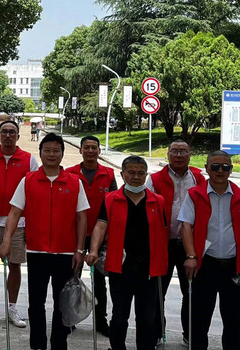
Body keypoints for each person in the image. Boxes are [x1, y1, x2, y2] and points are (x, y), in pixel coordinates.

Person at [0, 133, 89, 350]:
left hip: (66, 254)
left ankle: (59, 344)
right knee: (36, 304)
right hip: (36, 251)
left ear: (62, 154)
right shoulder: (28, 180)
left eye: (56, 150)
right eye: (47, 150)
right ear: (40, 153)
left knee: (62, 303)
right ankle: (38, 345)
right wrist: (6, 240)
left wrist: (80, 250)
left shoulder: (75, 182)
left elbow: (82, 218)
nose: (51, 154)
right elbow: (14, 213)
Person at [87, 155, 168, 350]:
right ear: (122, 174)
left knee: (147, 317)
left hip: (149, 268)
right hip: (121, 265)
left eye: (141, 173)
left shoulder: (157, 201)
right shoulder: (111, 199)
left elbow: (163, 232)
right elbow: (100, 226)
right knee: (119, 316)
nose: (136, 177)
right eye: (131, 172)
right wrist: (94, 250)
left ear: (146, 175)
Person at [0, 120, 37, 328]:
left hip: (18, 223)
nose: (8, 135)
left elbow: (33, 193)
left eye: (12, 132)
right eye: (4, 132)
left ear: (18, 136)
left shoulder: (29, 159)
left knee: (14, 266)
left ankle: (12, 306)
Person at [179, 150, 240, 350]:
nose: (220, 171)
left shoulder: (239, 195)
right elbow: (186, 226)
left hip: (234, 266)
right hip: (205, 264)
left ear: (231, 169)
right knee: (199, 320)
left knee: (234, 321)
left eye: (225, 167)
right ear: (206, 168)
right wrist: (191, 256)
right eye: (215, 166)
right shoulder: (195, 195)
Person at [146, 139, 205, 346]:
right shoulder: (155, 179)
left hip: (190, 245)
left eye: (183, 151)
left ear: (190, 154)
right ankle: (157, 333)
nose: (179, 155)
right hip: (163, 243)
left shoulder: (198, 178)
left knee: (191, 292)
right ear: (168, 154)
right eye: (174, 151)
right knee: (157, 292)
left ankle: (189, 334)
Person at [65, 135, 117, 336]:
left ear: (99, 151)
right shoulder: (70, 173)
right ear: (80, 150)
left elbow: (114, 203)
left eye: (94, 147)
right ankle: (69, 319)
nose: (90, 151)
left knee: (100, 282)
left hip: (100, 236)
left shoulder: (109, 174)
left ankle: (101, 321)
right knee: (72, 278)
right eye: (86, 147)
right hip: (75, 234)